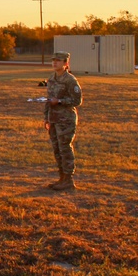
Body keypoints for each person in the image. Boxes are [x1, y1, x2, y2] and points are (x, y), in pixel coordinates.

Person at [43, 51, 83, 191]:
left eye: (58, 61)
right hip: (53, 119)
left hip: (65, 120)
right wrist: (46, 118)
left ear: (66, 63)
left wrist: (59, 101)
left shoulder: (70, 80)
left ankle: (68, 179)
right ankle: (61, 178)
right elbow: (48, 100)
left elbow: (77, 101)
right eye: (53, 60)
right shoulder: (52, 78)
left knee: (65, 148)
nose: (55, 63)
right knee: (57, 149)